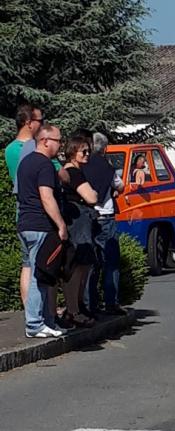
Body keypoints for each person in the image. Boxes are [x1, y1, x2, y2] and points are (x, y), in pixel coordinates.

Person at [16, 124, 68, 338]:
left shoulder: (26, 162)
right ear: (45, 141)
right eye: (58, 140)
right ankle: (35, 324)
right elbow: (46, 197)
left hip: (24, 223)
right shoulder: (45, 165)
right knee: (41, 276)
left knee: (33, 271)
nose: (60, 145)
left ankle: (45, 321)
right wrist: (61, 224)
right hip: (39, 225)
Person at [83, 132, 126, 316]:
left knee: (91, 262)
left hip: (88, 216)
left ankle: (89, 303)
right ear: (105, 148)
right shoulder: (107, 167)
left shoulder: (82, 165)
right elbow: (120, 185)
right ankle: (111, 303)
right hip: (106, 216)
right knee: (111, 262)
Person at [5, 104, 44, 306]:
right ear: (29, 123)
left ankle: (28, 308)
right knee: (39, 264)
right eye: (40, 121)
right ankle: (39, 312)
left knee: (27, 263)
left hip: (22, 211)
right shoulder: (32, 149)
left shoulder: (10, 149)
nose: (42, 125)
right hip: (37, 210)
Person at [60, 135, 98, 327]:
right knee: (77, 264)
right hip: (77, 222)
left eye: (89, 150)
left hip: (79, 220)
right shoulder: (73, 173)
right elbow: (91, 197)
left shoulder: (75, 171)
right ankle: (73, 309)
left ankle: (78, 306)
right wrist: (94, 193)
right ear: (73, 151)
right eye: (83, 151)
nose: (87, 154)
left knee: (84, 264)